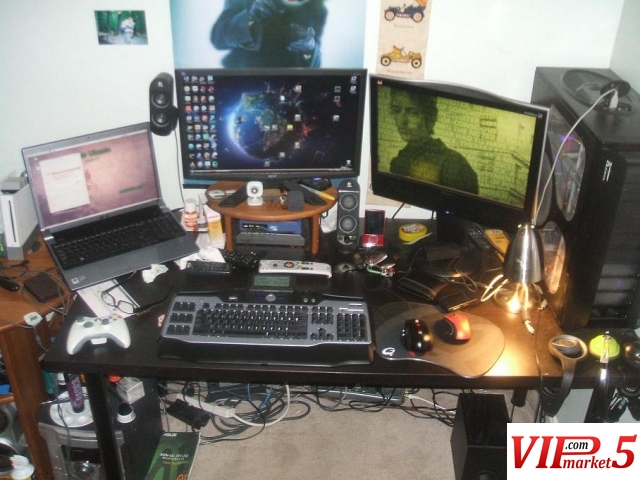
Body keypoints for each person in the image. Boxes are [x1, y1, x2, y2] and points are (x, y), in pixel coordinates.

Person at [388, 89, 479, 194]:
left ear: (430, 116)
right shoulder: (398, 162)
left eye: (413, 113)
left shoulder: (454, 163)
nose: (402, 121)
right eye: (397, 111)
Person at [211, 0, 327, 68]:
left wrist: (310, 48)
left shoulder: (318, 10)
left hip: (286, 85)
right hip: (245, 79)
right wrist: (249, 18)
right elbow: (218, 38)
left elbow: (315, 64)